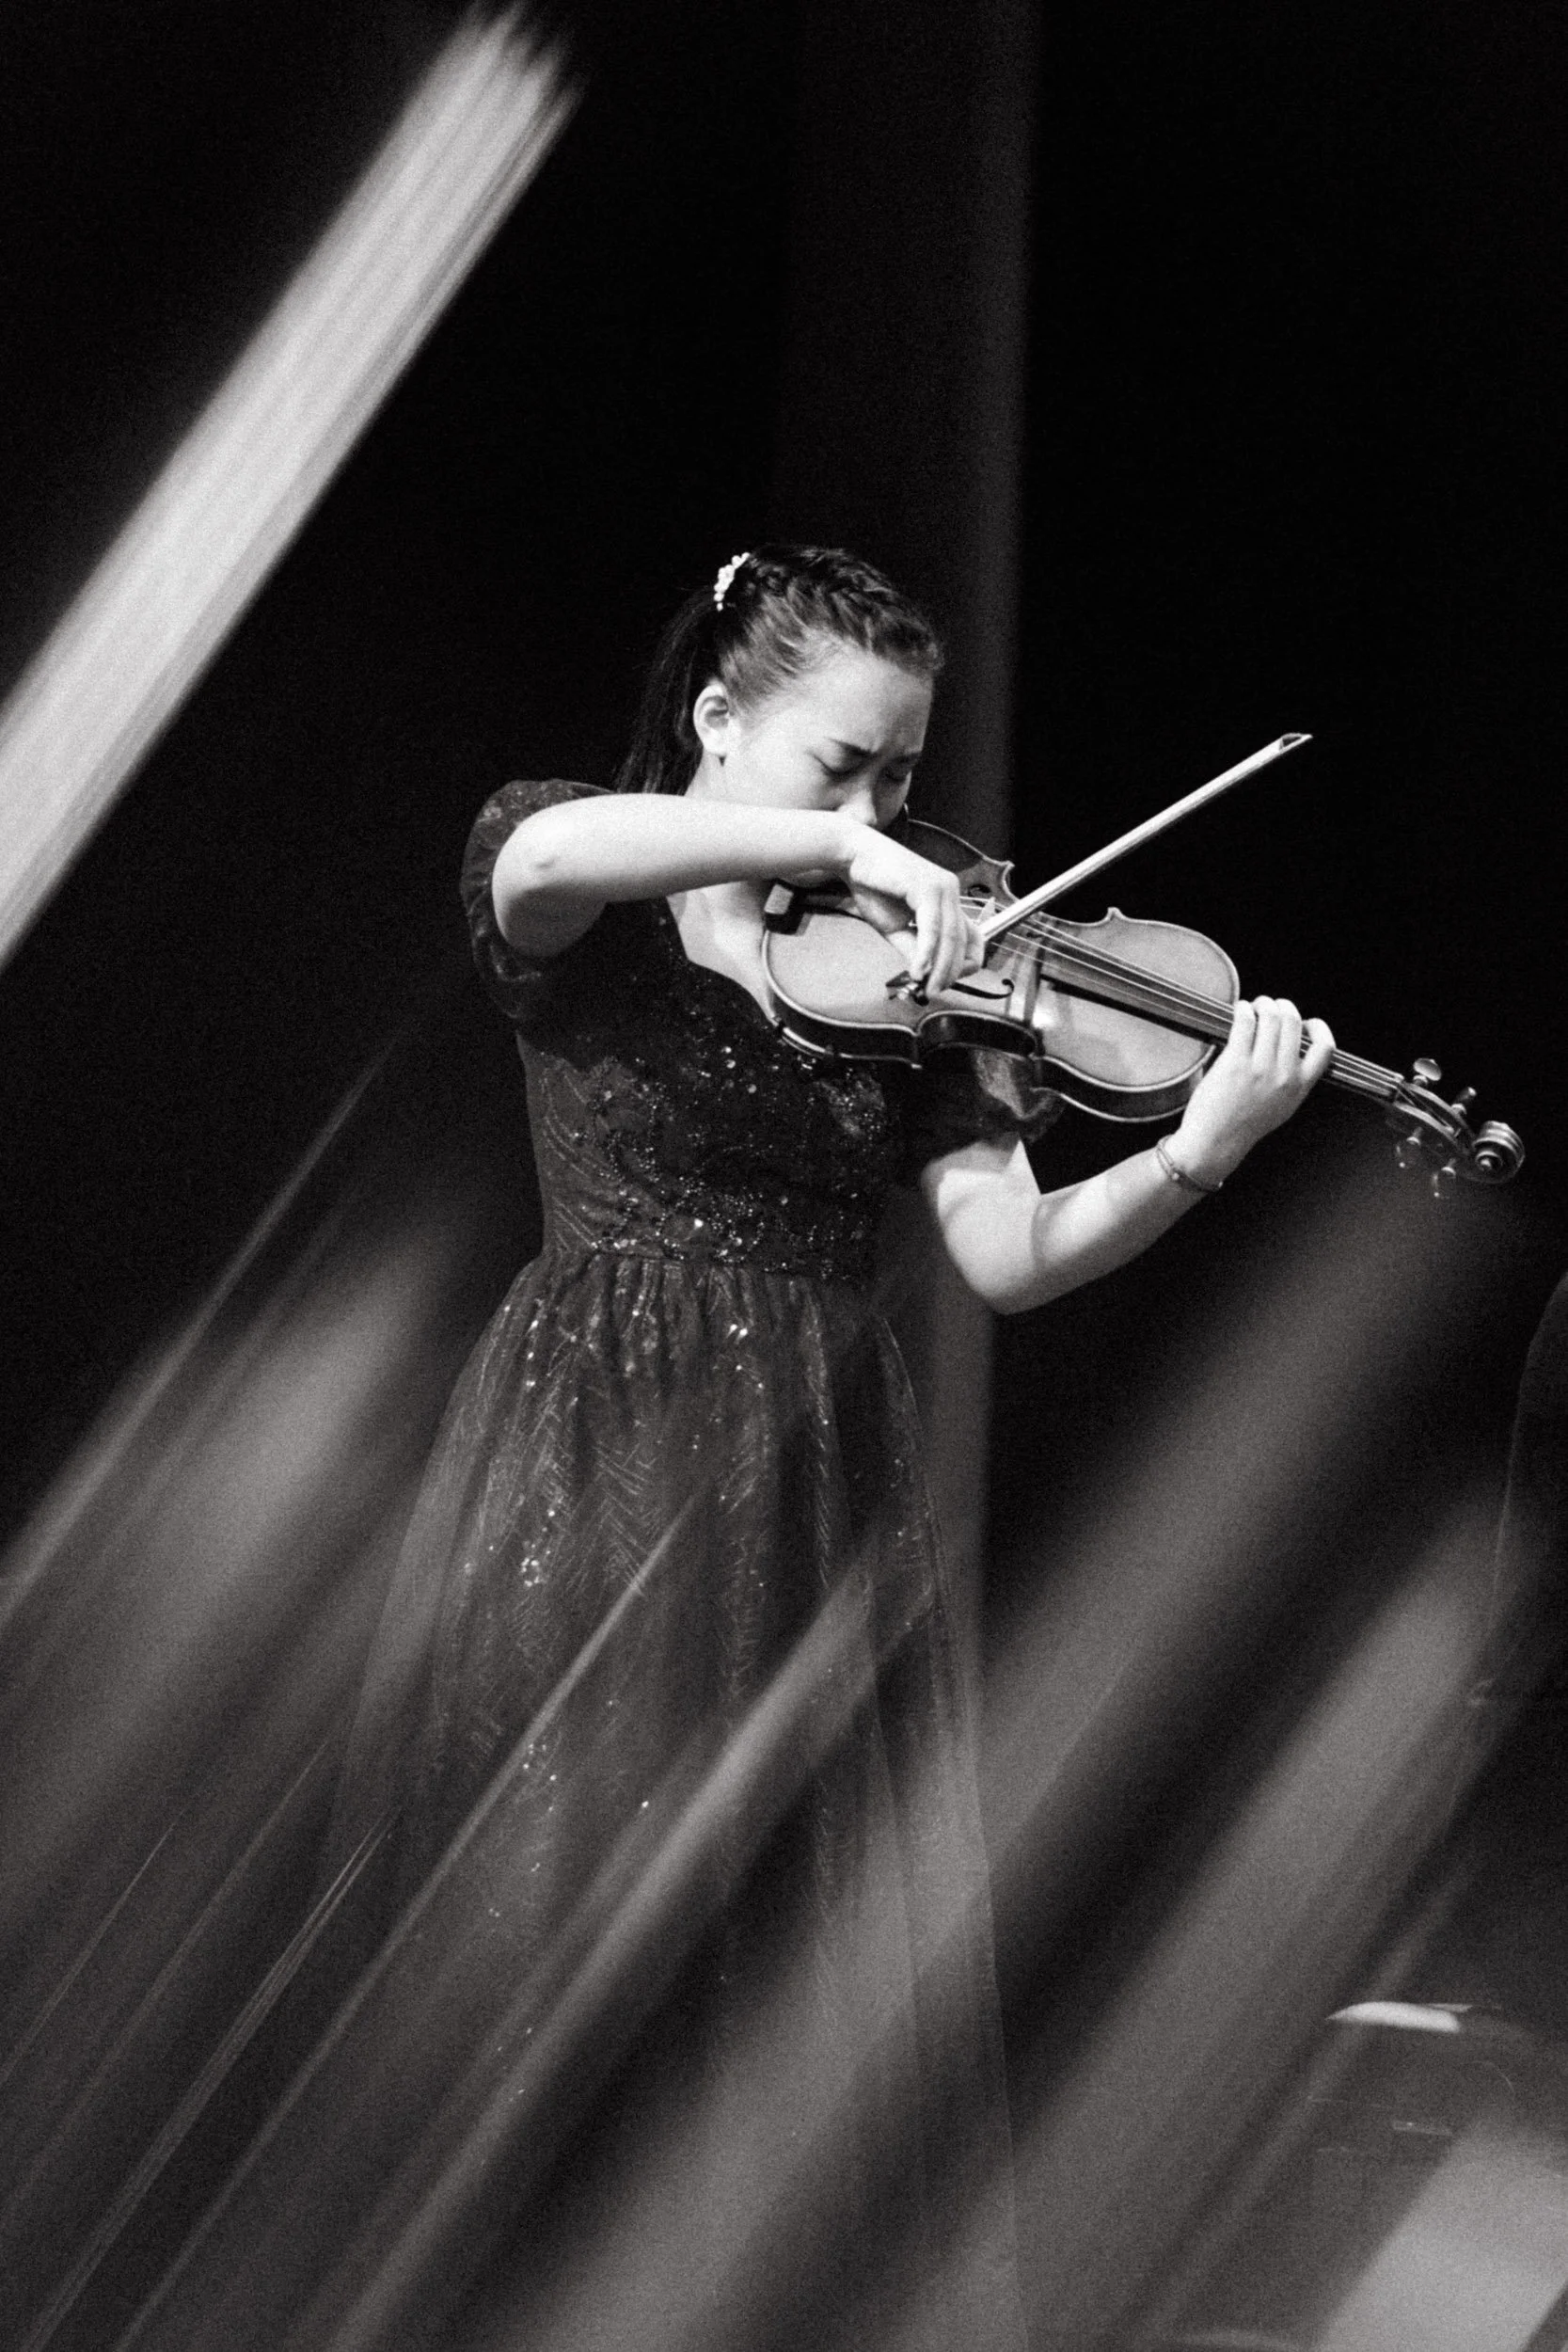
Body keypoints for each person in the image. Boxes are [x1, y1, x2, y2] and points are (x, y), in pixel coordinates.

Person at [317, 545, 1334, 2352]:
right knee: (553, 1918)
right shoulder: (585, 881)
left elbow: (1008, 1257)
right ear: (718, 719)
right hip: (592, 1445)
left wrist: (1201, 1152)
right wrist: (834, 850)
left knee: (777, 1955)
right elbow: (539, 861)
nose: (884, 819)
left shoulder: (923, 978)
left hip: (807, 1471)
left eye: (903, 778)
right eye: (841, 765)